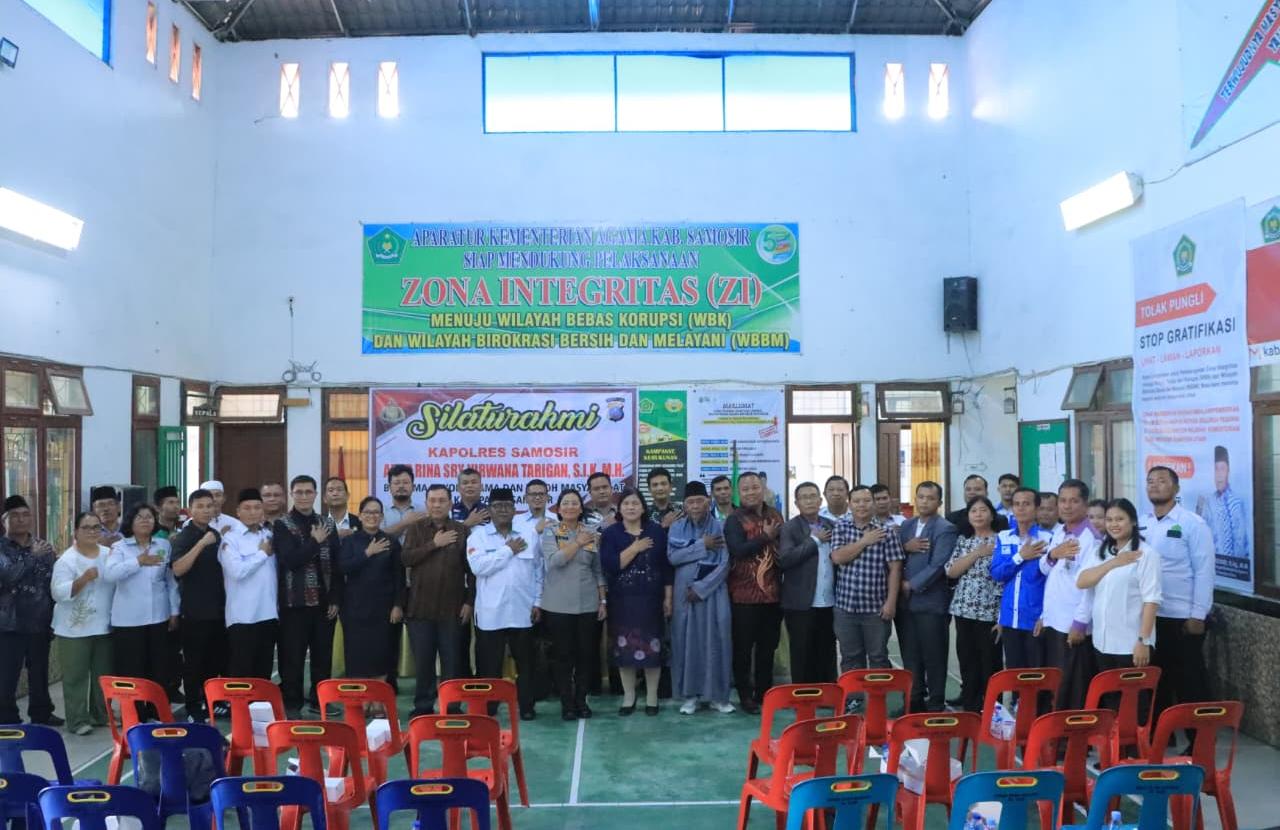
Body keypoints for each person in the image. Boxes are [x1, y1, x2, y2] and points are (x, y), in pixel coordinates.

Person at [1141, 466, 1213, 722]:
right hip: (1151, 617)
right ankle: (1159, 739)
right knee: (1156, 682)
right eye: (1150, 481)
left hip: (1182, 618)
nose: (1155, 485)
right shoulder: (1143, 523)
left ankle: (1200, 740)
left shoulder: (1192, 524)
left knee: (1190, 684)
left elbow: (1204, 572)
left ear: (1176, 488)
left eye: (1162, 481)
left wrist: (1198, 615)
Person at [468, 488, 543, 720]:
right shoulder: (478, 536)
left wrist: (538, 601)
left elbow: (539, 570)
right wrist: (507, 550)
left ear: (514, 509)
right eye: (497, 505)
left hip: (523, 611)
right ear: (489, 510)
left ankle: (527, 707)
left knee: (527, 665)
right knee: (489, 666)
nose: (503, 510)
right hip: (491, 614)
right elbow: (479, 567)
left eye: (507, 505)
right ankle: (488, 709)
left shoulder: (529, 534)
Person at [401, 484, 474, 718]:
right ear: (426, 502)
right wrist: (435, 544)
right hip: (420, 609)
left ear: (450, 503)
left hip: (452, 609)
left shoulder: (462, 531)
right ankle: (423, 706)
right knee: (424, 663)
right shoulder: (415, 529)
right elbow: (406, 558)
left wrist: (469, 602)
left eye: (442, 500)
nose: (437, 504)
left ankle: (452, 707)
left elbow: (472, 570)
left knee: (452, 662)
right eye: (432, 500)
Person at [830, 485, 904, 712]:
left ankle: (878, 699)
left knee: (878, 656)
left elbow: (895, 569)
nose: (862, 505)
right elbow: (838, 558)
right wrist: (864, 541)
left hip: (876, 607)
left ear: (874, 503)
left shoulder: (887, 531)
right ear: (850, 504)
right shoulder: (841, 527)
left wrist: (891, 602)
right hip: (846, 607)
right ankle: (853, 699)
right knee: (851, 657)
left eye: (866, 501)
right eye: (857, 501)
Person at [273, 475, 343, 716]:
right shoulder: (282, 525)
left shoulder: (327, 524)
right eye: (299, 492)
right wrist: (314, 542)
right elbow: (290, 561)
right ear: (292, 495)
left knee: (323, 656)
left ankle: (319, 700)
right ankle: (292, 703)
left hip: (324, 603)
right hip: (294, 603)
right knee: (292, 656)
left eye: (308, 492)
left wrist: (335, 598)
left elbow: (336, 565)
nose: (304, 496)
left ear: (316, 495)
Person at [600, 489, 672, 716]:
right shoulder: (612, 534)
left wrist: (668, 598)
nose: (631, 507)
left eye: (635, 503)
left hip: (651, 601)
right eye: (626, 504)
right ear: (620, 509)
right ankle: (629, 697)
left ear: (643, 507)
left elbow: (666, 568)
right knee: (625, 650)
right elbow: (611, 566)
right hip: (622, 602)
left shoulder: (657, 531)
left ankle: (652, 698)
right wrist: (635, 548)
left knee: (653, 649)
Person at [667, 481, 733, 714]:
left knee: (717, 642)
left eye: (699, 501)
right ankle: (690, 696)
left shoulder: (719, 526)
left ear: (708, 502)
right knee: (686, 642)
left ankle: (718, 697)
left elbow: (725, 563)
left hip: (713, 595)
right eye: (690, 502)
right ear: (684, 505)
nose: (695, 506)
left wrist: (702, 588)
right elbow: (673, 558)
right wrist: (701, 545)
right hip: (684, 595)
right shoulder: (676, 528)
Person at [540, 488, 606, 720]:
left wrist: (603, 600)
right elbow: (555, 561)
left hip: (587, 604)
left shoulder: (592, 533)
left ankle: (581, 701)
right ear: (558, 509)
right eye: (565, 503)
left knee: (586, 656)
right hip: (558, 606)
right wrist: (577, 543)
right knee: (563, 657)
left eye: (574, 503)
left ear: (581, 508)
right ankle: (567, 703)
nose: (570, 507)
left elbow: (598, 570)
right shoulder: (550, 532)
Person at [103, 503, 179, 701]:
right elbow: (110, 574)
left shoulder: (163, 545)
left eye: (149, 517)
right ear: (131, 522)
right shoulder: (119, 547)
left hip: (158, 616)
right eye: (140, 517)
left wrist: (174, 610)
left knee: (158, 668)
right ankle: (136, 714)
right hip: (129, 620)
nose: (146, 520)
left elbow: (170, 580)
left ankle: (157, 710)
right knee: (132, 669)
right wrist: (138, 562)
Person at [1076, 499, 1162, 672]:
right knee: (1109, 697)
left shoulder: (1146, 555)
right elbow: (1082, 581)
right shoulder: (1100, 552)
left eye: (1120, 519)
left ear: (1134, 521)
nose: (1114, 524)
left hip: (1130, 644)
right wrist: (1114, 563)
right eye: (1109, 520)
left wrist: (1143, 641)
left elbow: (1151, 601)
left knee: (1134, 698)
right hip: (1102, 642)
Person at [724, 472, 783, 715]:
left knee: (768, 648)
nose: (750, 492)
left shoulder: (775, 515)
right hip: (743, 597)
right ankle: (745, 696)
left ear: (763, 488)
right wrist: (765, 537)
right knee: (743, 649)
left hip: (773, 595)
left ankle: (764, 693)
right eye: (745, 489)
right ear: (739, 492)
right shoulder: (734, 519)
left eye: (754, 487)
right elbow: (738, 550)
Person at [51, 512, 114, 735]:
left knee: (102, 675)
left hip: (104, 625)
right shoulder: (67, 560)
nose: (92, 532)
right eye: (86, 528)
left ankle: (101, 714)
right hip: (73, 629)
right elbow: (58, 593)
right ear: (75, 531)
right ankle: (77, 720)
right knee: (76, 676)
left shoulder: (108, 554)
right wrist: (84, 579)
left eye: (96, 527)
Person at [896, 481, 957, 713]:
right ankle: (914, 701)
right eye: (921, 497)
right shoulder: (907, 525)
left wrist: (911, 584)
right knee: (910, 656)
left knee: (934, 656)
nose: (924, 501)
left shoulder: (945, 528)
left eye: (930, 498)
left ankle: (935, 703)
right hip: (906, 603)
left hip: (931, 602)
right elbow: (897, 554)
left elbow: (939, 565)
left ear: (939, 502)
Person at [0, 496, 59, 726]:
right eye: (14, 516)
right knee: (7, 674)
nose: (21, 520)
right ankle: (7, 716)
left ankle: (42, 713)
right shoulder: (2, 548)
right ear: (4, 521)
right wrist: (31, 557)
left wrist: (53, 616)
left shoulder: (43, 547)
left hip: (39, 620)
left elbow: (51, 583)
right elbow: (8, 578)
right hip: (9, 623)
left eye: (25, 515)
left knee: (40, 673)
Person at [169, 488, 226, 722]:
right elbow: (178, 569)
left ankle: (212, 702)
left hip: (218, 609)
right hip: (194, 611)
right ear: (191, 509)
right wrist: (202, 544)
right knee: (194, 663)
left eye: (209, 506)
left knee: (215, 661)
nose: (205, 510)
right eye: (200, 506)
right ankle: (193, 708)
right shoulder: (185, 536)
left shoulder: (216, 534)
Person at [1041, 479, 1099, 710]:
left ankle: (1072, 742)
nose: (1067, 506)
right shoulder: (1060, 532)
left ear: (1085, 504)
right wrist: (1053, 554)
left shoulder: (1091, 539)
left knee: (1073, 688)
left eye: (1074, 501)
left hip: (1073, 626)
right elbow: (1045, 570)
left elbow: (1091, 587)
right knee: (1058, 684)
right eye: (1063, 500)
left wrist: (1080, 624)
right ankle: (1058, 736)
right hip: (1055, 620)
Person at [945, 497, 1004, 713]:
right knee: (968, 660)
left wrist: (1002, 616)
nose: (978, 514)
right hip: (963, 610)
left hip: (990, 612)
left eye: (983, 510)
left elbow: (1005, 578)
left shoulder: (1002, 540)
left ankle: (990, 708)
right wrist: (977, 553)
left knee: (990, 662)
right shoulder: (964, 540)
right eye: (974, 511)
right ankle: (970, 705)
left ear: (991, 514)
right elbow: (951, 571)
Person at [338, 497, 406, 681]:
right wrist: (367, 553)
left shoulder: (391, 542)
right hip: (355, 609)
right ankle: (360, 703)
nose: (372, 516)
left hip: (383, 610)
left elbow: (399, 576)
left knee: (381, 655)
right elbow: (343, 567)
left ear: (382, 516)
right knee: (357, 656)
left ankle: (378, 703)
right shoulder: (350, 542)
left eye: (376, 512)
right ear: (360, 516)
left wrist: (398, 605)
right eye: (368, 512)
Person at [777, 482, 837, 684]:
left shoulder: (832, 525)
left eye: (813, 496)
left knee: (826, 650)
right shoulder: (789, 528)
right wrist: (815, 540)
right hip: (800, 602)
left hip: (829, 600)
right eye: (804, 497)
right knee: (802, 652)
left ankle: (828, 694)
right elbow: (785, 559)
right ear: (797, 503)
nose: (810, 500)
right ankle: (802, 696)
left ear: (821, 500)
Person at [220, 488, 278, 679]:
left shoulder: (269, 535)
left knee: (263, 672)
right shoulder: (230, 539)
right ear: (238, 511)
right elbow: (237, 572)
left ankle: (260, 708)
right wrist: (261, 554)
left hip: (268, 613)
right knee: (242, 670)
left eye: (257, 507)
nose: (253, 512)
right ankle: (239, 709)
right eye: (247, 508)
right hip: (243, 616)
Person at [991, 488, 1050, 668]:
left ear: (1036, 508)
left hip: (1035, 619)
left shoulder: (1048, 538)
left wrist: (1045, 616)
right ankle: (1018, 699)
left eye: (1026, 504)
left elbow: (1051, 583)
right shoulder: (1003, 537)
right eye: (1017, 504)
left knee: (1036, 675)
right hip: (1010, 618)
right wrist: (1020, 556)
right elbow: (997, 574)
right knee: (1014, 673)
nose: (1021, 508)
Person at [1197, 445, 1248, 559]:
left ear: (1228, 471)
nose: (1219, 474)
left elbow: (1241, 544)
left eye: (1222, 469)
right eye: (1216, 469)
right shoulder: (1207, 500)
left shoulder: (1236, 502)